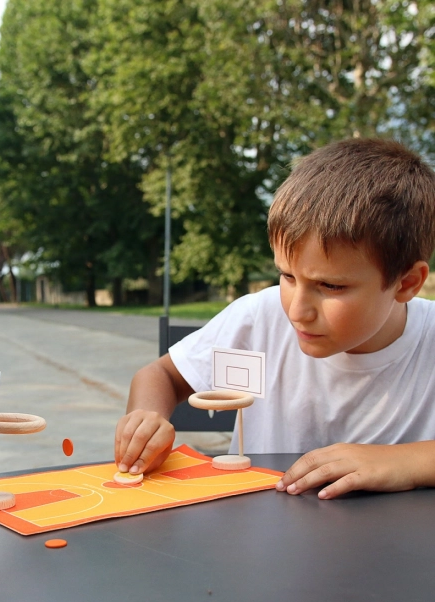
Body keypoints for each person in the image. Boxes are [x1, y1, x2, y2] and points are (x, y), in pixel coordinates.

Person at [115, 138, 435, 499]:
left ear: (407, 283)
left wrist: (405, 461)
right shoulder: (258, 318)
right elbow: (161, 376)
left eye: (330, 285)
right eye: (287, 276)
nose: (297, 311)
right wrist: (146, 419)